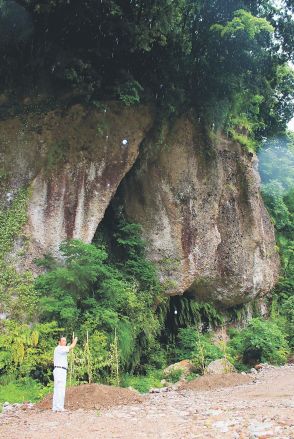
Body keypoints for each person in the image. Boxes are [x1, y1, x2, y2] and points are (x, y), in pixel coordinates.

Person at [52, 335, 78, 412]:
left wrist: (73, 343)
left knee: (57, 389)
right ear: (59, 342)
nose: (65, 342)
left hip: (59, 370)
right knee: (60, 389)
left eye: (65, 341)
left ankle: (55, 407)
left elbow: (69, 349)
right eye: (63, 341)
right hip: (60, 370)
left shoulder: (60, 349)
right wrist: (75, 340)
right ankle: (59, 407)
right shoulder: (59, 348)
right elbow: (72, 347)